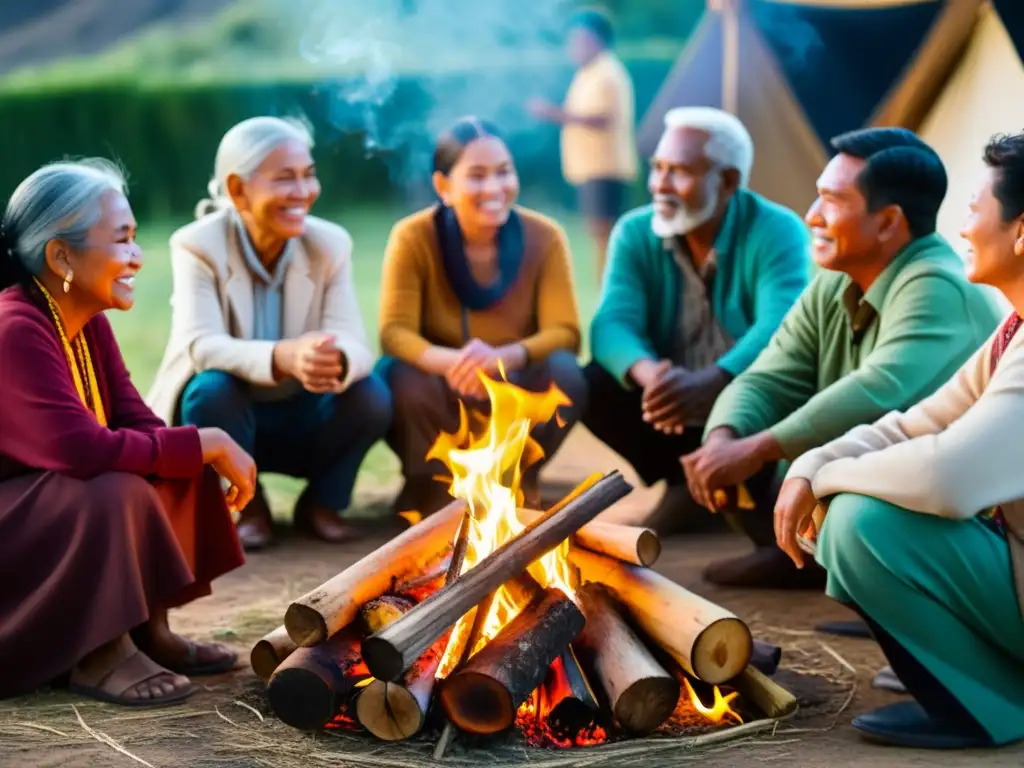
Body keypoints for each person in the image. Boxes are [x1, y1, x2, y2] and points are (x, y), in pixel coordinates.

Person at [774, 131, 1024, 749]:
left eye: (973, 210)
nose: (961, 229)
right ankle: (991, 690)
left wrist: (826, 480)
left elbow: (949, 478)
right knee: (853, 507)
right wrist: (812, 464)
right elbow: (915, 423)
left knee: (862, 523)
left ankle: (985, 706)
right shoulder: (1014, 333)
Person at [683, 127, 1003, 589]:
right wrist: (723, 439)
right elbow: (770, 374)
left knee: (789, 455)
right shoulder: (837, 279)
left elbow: (878, 391)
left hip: (938, 506)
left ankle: (879, 586)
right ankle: (793, 555)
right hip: (846, 478)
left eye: (832, 201)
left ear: (889, 222)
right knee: (741, 436)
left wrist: (757, 449)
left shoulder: (938, 285)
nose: (812, 216)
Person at [0, 160, 255, 706]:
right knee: (117, 485)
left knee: (169, 458)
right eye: (122, 240)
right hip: (12, 530)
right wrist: (203, 441)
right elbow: (78, 450)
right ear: (61, 255)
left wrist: (194, 447)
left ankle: (145, 629)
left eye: (136, 238)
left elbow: (136, 421)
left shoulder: (87, 320)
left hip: (38, 511)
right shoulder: (15, 328)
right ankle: (98, 653)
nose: (137, 256)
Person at [147, 117, 392, 551]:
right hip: (229, 419)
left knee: (370, 393)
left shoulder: (330, 243)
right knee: (209, 390)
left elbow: (356, 342)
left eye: (308, 175)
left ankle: (322, 504)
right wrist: (284, 357)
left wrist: (335, 359)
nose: (303, 192)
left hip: (304, 413)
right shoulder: (196, 245)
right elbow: (201, 344)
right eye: (285, 179)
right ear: (238, 189)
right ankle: (248, 507)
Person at [582, 107, 811, 535]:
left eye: (680, 172)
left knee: (785, 384)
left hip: (746, 401)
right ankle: (682, 484)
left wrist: (714, 381)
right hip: (668, 407)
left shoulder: (778, 230)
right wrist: (652, 378)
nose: (660, 185)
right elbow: (610, 323)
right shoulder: (635, 231)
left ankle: (739, 493)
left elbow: (781, 326)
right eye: (658, 169)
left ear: (727, 182)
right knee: (590, 383)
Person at [378, 117, 586, 517]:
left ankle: (516, 480)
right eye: (476, 176)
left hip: (512, 385)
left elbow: (566, 333)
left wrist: (504, 356)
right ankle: (431, 487)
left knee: (567, 372)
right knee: (398, 375)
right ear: (443, 186)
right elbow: (394, 332)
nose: (494, 188)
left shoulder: (545, 236)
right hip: (444, 386)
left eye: (504, 172)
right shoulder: (413, 236)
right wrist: (455, 363)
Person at [527, 7, 637, 278]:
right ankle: (607, 287)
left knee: (606, 236)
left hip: (605, 168)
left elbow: (603, 118)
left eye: (579, 41)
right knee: (599, 234)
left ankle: (611, 289)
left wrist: (553, 114)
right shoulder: (589, 72)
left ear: (596, 40)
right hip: (591, 167)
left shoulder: (607, 72)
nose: (573, 48)